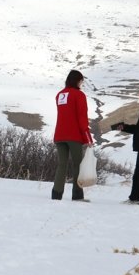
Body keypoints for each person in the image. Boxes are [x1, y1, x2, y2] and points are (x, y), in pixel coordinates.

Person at [52, 69, 94, 201]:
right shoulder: (79, 95)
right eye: (81, 80)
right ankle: (77, 195)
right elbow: (82, 118)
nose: (82, 83)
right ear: (77, 80)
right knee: (78, 165)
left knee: (62, 165)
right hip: (74, 136)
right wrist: (88, 137)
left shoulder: (59, 95)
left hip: (59, 135)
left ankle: (56, 194)